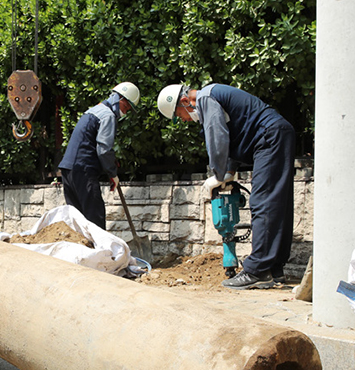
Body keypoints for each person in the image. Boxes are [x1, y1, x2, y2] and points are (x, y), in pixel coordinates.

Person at [157, 83, 295, 290]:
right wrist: (229, 172)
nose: (184, 121)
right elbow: (235, 135)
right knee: (278, 203)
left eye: (179, 115)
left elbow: (218, 138)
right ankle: (274, 268)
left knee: (263, 202)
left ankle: (257, 271)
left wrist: (218, 174)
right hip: (275, 134)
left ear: (185, 102)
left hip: (269, 137)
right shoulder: (213, 96)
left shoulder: (206, 99)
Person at [58, 82, 140, 229]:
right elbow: (104, 150)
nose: (125, 112)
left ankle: (82, 251)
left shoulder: (93, 111)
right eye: (126, 107)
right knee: (95, 217)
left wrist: (110, 164)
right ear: (120, 99)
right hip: (83, 170)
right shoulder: (108, 116)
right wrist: (112, 173)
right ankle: (100, 251)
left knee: (77, 221)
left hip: (68, 169)